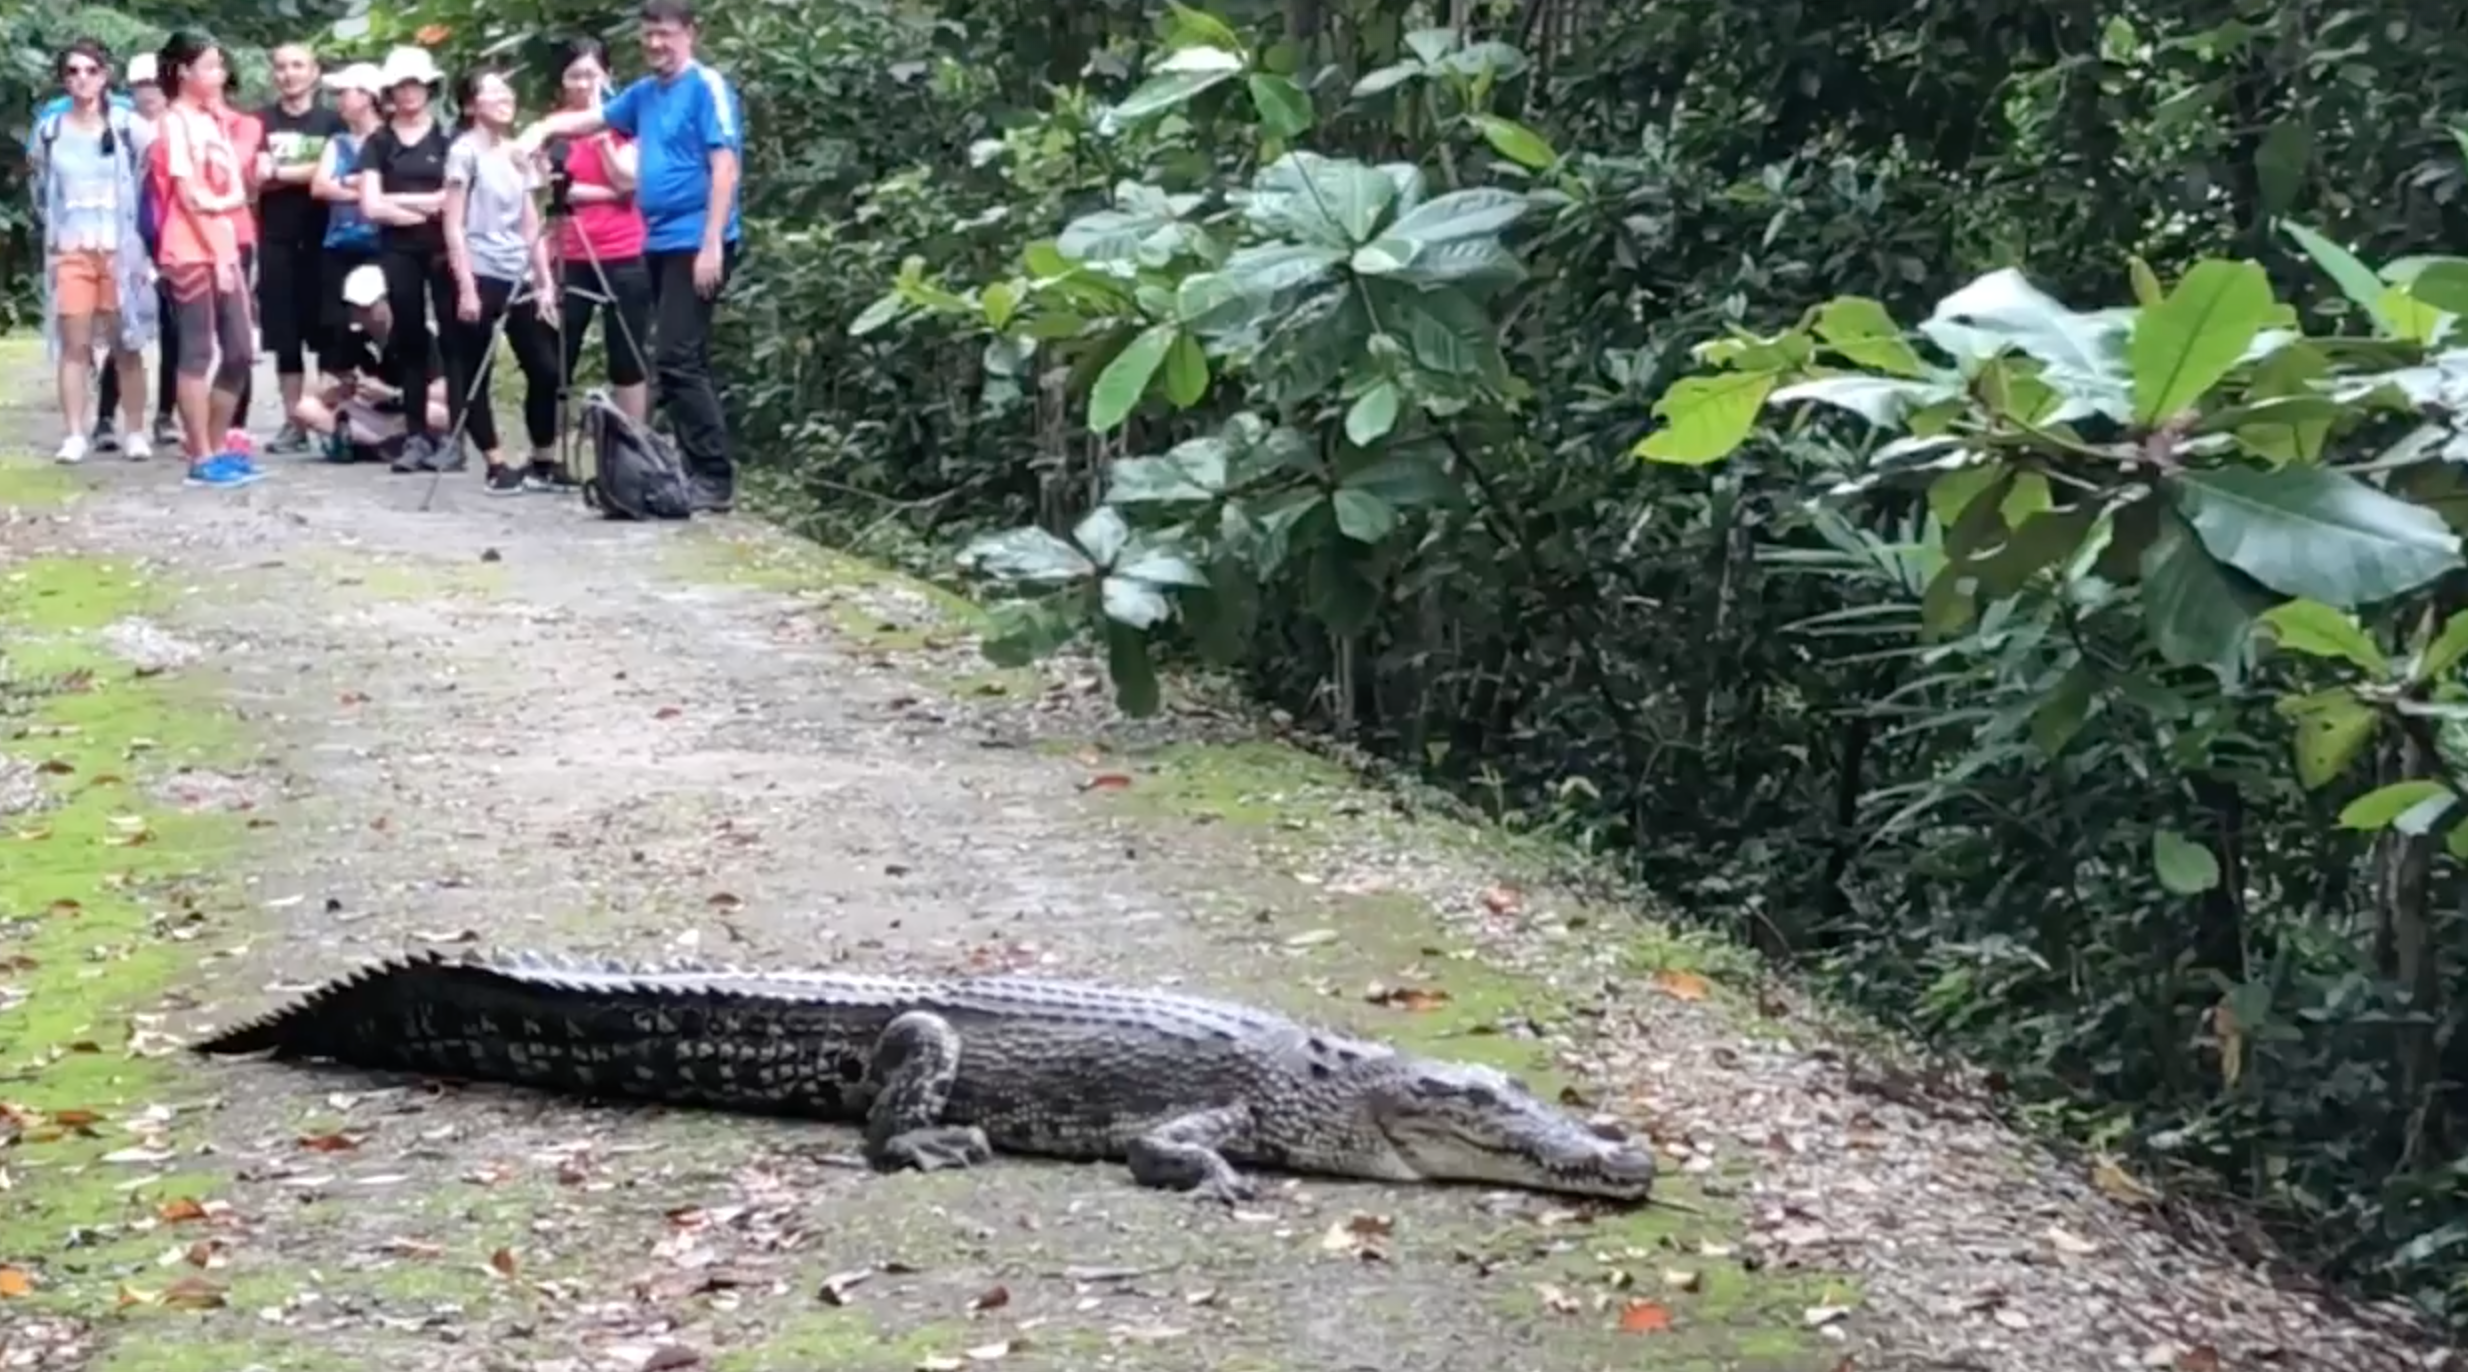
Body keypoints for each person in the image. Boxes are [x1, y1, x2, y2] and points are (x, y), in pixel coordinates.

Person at [516, 0, 742, 513]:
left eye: (665, 34)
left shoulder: (705, 87)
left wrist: (711, 243)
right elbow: (591, 120)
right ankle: (694, 467)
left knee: (675, 357)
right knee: (685, 359)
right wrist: (543, 130)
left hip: (697, 238)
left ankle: (713, 476)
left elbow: (725, 167)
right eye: (648, 37)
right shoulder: (645, 94)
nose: (656, 45)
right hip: (659, 239)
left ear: (690, 33)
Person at [29, 39, 153, 465]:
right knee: (74, 344)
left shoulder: (127, 125)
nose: (82, 78)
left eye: (90, 70)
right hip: (71, 247)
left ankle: (135, 429)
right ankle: (75, 433)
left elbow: (149, 176)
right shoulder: (50, 129)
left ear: (105, 75)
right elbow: (41, 187)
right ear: (64, 79)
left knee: (126, 343)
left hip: (119, 246)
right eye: (73, 72)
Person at [150, 30, 264, 488]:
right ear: (184, 72)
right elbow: (186, 195)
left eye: (220, 66)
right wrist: (217, 255)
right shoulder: (175, 121)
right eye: (210, 67)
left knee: (239, 349)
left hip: (223, 242)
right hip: (191, 248)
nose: (219, 75)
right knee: (197, 350)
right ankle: (199, 454)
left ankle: (214, 445)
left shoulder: (211, 119)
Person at [442, 66, 562, 495]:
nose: (504, 98)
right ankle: (495, 463)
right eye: (492, 92)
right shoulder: (464, 152)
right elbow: (453, 223)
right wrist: (466, 285)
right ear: (472, 105)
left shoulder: (517, 152)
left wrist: (544, 280)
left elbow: (532, 221)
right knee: (476, 370)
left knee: (546, 369)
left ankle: (544, 459)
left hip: (519, 270)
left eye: (505, 90)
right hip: (480, 268)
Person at [357, 46, 458, 475]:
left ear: (429, 88)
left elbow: (452, 201)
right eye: (401, 86)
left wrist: (397, 201)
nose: (409, 93)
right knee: (409, 337)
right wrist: (422, 205)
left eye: (415, 85)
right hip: (397, 249)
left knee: (454, 339)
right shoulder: (378, 142)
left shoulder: (447, 138)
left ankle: (455, 436)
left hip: (443, 248)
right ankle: (417, 434)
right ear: (390, 93)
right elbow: (370, 206)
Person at [545, 36, 650, 436]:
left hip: (624, 249)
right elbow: (552, 188)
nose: (585, 84)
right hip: (568, 252)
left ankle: (635, 445)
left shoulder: (628, 125)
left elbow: (629, 178)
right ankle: (549, 447)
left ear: (609, 77)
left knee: (627, 353)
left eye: (593, 74)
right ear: (563, 81)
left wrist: (602, 129)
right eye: (576, 75)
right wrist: (612, 192)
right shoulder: (554, 129)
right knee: (558, 352)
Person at [252, 43, 346, 455]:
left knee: (327, 333)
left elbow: (339, 169)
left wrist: (282, 172)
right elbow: (252, 176)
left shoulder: (334, 121)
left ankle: (328, 418)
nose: (289, 74)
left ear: (315, 72)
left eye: (297, 66)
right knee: (284, 336)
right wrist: (307, 174)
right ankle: (294, 422)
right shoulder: (259, 122)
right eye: (281, 66)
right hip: (275, 239)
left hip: (327, 239)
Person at [291, 263, 447, 463]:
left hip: (405, 411)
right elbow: (320, 389)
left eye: (366, 308)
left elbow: (442, 389)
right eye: (355, 308)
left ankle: (369, 441)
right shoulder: (352, 335)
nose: (360, 315)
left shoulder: (415, 334)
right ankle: (376, 442)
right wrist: (342, 388)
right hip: (369, 412)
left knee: (438, 412)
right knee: (307, 407)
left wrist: (393, 395)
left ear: (385, 301)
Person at [310, 61, 384, 383]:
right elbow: (319, 187)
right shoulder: (337, 142)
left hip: (381, 244)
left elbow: (393, 187)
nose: (339, 100)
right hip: (338, 245)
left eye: (345, 93)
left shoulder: (388, 140)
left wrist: (352, 185)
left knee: (379, 320)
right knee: (335, 327)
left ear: (368, 96)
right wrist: (363, 189)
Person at [124, 53, 180, 452]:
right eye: (141, 86)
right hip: (129, 236)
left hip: (174, 237)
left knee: (176, 330)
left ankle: (166, 414)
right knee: (122, 330)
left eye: (155, 86)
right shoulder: (119, 128)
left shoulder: (181, 129)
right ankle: (111, 417)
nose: (149, 94)